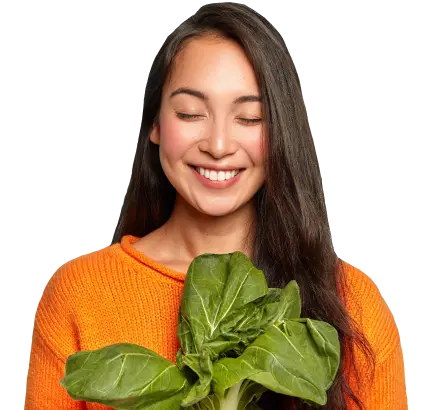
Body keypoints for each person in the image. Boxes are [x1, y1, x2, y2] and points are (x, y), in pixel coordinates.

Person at [25, 3, 407, 409]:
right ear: (154, 124)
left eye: (250, 117)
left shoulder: (354, 306)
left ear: (281, 133)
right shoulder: (78, 295)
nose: (219, 145)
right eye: (191, 113)